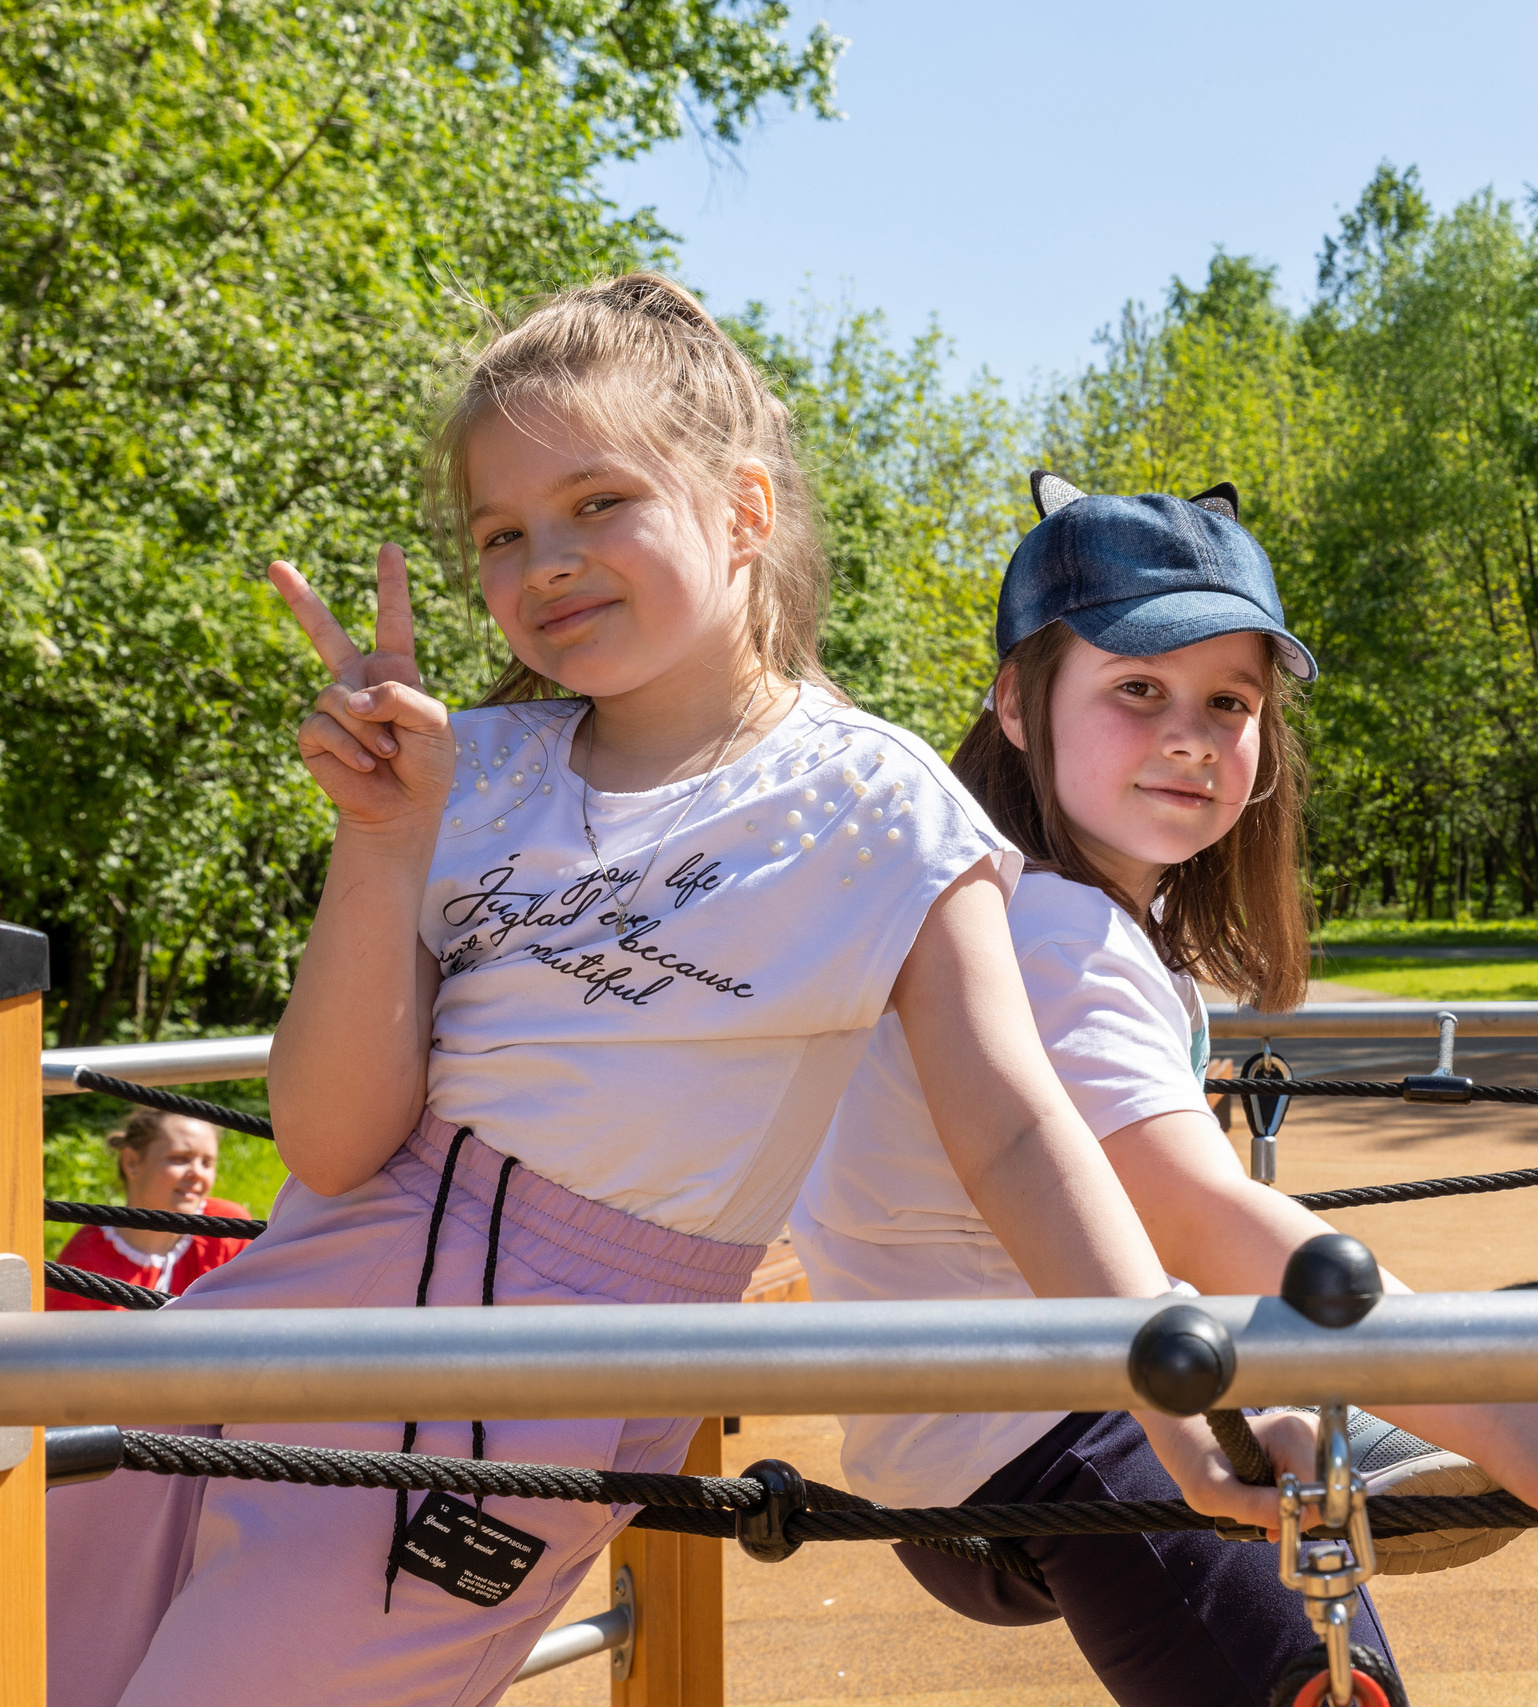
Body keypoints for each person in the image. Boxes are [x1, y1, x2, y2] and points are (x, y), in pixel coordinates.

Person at [49, 274, 1292, 1707]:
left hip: (520, 1386)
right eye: (502, 533)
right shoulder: (481, 768)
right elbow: (330, 1142)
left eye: (596, 502)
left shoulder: (876, 803)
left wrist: (1164, 1376)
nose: (546, 559)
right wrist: (382, 841)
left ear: (746, 513)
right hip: (299, 1294)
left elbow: (1015, 1129)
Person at [790, 472, 1538, 1707]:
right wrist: (1518, 1418)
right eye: (1137, 689)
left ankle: (1363, 1424)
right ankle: (1398, 1420)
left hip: (1056, 1410)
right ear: (1016, 706)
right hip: (1055, 1437)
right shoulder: (1047, 932)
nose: (1190, 733)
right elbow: (1196, 1211)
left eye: (1228, 701)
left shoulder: (1075, 912)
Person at [47, 1109, 252, 1311]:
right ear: (132, 1163)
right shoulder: (86, 1260)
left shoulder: (228, 1229)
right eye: (179, 1158)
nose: (197, 1173)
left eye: (207, 1163)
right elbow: (66, 1342)